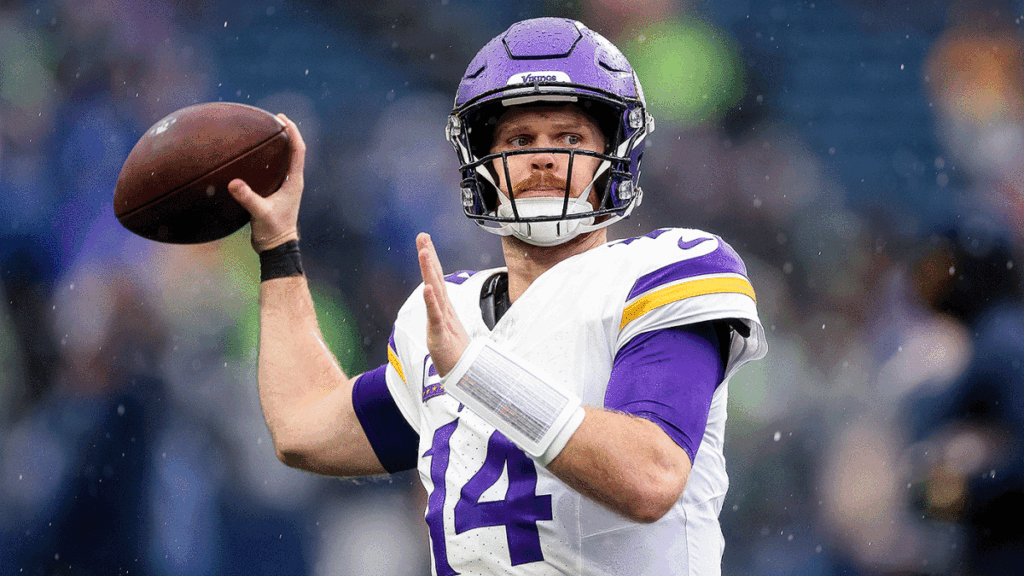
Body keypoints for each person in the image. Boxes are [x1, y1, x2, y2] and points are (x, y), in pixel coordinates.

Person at [228, 17, 767, 576]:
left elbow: (650, 478)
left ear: (615, 155)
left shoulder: (663, 271)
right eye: (518, 140)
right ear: (479, 163)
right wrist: (278, 246)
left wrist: (475, 373)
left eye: (569, 137)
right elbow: (303, 428)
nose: (542, 157)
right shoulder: (445, 314)